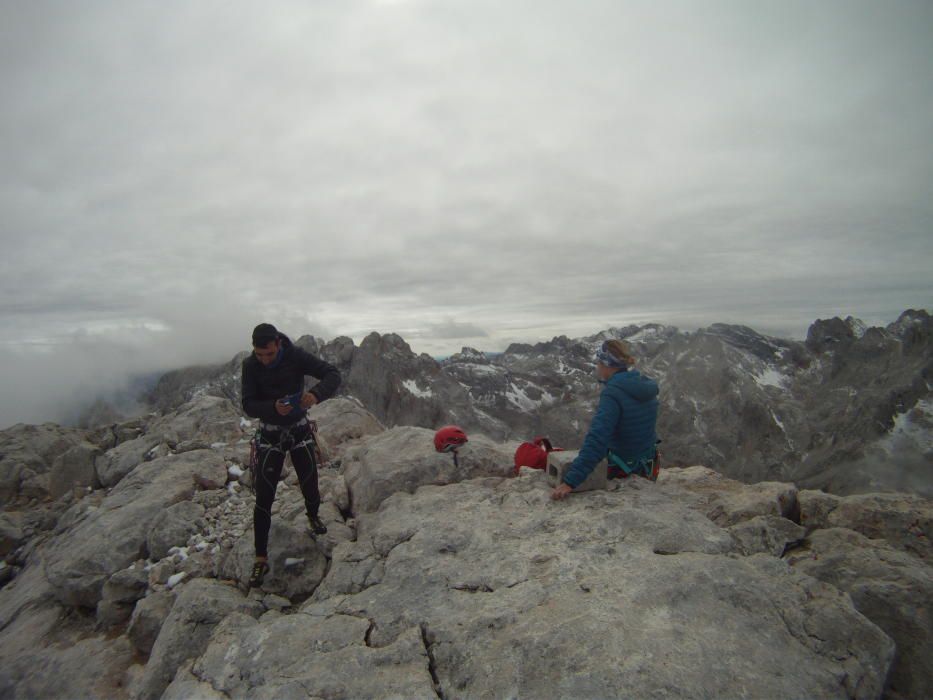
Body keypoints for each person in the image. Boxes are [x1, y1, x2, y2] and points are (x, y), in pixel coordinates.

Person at [241, 322, 341, 587]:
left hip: (297, 429)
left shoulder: (295, 356)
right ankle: (260, 557)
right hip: (271, 432)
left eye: (269, 354)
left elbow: (332, 374)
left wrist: (316, 395)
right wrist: (272, 407)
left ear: (278, 344)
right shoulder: (250, 365)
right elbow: (248, 404)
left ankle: (313, 514)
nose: (264, 360)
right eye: (259, 355)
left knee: (310, 481)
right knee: (264, 495)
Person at [551, 339, 659, 500]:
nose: (597, 366)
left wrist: (570, 482)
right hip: (649, 465)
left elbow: (598, 439)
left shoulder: (613, 393)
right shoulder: (644, 385)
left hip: (624, 469)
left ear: (606, 364)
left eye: (599, 362)